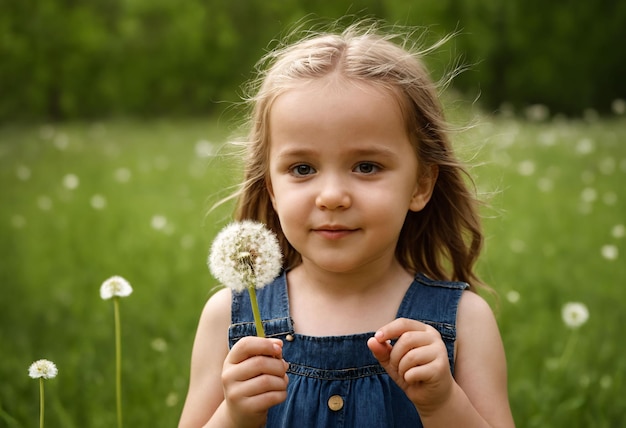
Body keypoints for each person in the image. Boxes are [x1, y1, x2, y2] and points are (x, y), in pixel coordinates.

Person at [179, 21, 515, 428]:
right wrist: (235, 414)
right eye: (303, 168)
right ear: (271, 188)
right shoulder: (229, 318)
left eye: (366, 166)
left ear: (421, 184)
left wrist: (442, 404)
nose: (332, 195)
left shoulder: (464, 321)